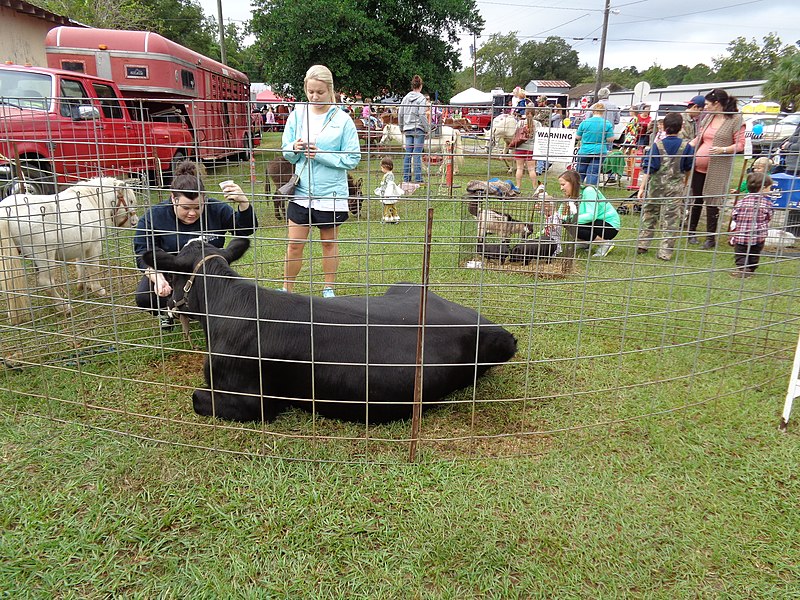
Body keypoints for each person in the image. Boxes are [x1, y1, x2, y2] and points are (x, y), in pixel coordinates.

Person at [133, 160, 257, 329]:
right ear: (173, 199)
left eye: (198, 207)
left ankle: (210, 313)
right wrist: (158, 277)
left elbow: (245, 230)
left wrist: (244, 203)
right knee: (145, 296)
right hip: (173, 272)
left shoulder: (216, 209)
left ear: (204, 199)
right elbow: (143, 252)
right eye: (185, 207)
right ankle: (170, 310)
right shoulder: (154, 216)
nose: (192, 213)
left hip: (209, 271)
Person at [281, 64, 361, 298]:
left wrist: (323, 156)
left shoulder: (343, 120)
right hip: (301, 192)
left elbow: (353, 157)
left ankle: (328, 289)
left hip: (331, 194)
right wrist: (293, 148)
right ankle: (287, 289)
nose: (314, 97)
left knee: (328, 243)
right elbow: (286, 149)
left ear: (330, 91)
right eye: (310, 91)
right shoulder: (297, 115)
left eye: (320, 92)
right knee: (294, 244)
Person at [688, 88, 746, 249]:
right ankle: (690, 233)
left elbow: (740, 144)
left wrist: (723, 150)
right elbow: (699, 138)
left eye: (707, 104)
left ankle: (710, 238)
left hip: (718, 167)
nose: (704, 107)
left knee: (712, 201)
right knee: (696, 198)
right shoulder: (708, 118)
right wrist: (686, 148)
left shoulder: (735, 119)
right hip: (698, 166)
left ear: (717, 104)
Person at [636, 112, 695, 260]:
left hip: (656, 186)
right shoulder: (686, 147)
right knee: (671, 218)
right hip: (675, 188)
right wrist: (685, 183)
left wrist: (642, 188)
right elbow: (688, 169)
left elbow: (649, 169)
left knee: (650, 213)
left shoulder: (656, 146)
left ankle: (643, 243)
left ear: (664, 128)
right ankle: (665, 251)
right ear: (681, 127)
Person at [558, 169, 620, 257]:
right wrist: (558, 217)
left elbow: (591, 216)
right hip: (595, 223)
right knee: (568, 222)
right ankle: (584, 242)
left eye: (563, 185)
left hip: (609, 226)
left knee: (573, 224)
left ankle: (605, 243)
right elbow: (560, 212)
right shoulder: (572, 195)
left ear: (573, 183)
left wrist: (569, 219)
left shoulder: (589, 191)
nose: (561, 188)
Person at [728, 171, 774, 278]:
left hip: (741, 235)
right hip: (758, 236)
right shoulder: (767, 203)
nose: (770, 190)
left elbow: (734, 215)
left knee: (741, 253)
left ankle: (743, 269)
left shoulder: (741, 202)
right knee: (754, 252)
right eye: (769, 188)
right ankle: (751, 269)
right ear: (763, 188)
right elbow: (769, 216)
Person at [398, 75, 430, 184]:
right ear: (420, 86)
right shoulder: (421, 98)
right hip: (418, 128)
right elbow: (422, 113)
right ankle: (418, 179)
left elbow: (400, 113)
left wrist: (401, 127)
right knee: (417, 153)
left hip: (407, 128)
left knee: (408, 153)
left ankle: (406, 179)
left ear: (412, 85)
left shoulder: (405, 98)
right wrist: (427, 128)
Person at [575, 102, 615, 186]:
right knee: (593, 173)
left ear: (593, 111)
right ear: (603, 112)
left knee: (580, 173)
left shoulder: (584, 122)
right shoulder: (607, 123)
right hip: (599, 151)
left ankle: (576, 192)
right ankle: (590, 192)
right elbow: (610, 139)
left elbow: (578, 137)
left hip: (584, 151)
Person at [512, 107, 539, 193]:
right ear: (534, 113)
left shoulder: (521, 122)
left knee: (519, 168)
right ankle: (535, 187)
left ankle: (518, 186)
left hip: (520, 147)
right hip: (531, 148)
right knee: (531, 169)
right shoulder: (538, 124)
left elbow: (514, 133)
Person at [374, 156, 404, 223]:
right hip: (385, 193)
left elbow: (390, 185)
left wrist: (387, 194)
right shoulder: (387, 174)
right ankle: (394, 217)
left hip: (388, 194)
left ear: (385, 167)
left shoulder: (389, 175)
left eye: (382, 167)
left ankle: (388, 218)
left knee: (387, 206)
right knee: (391, 206)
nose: (381, 169)